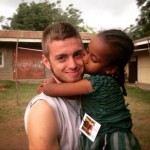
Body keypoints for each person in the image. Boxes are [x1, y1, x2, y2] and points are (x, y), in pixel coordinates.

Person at [42, 29, 141, 150]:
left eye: (93, 59)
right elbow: (71, 96)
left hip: (109, 139)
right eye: (87, 52)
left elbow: (50, 90)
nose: (85, 59)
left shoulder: (97, 83)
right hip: (97, 133)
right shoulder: (100, 81)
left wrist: (50, 82)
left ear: (110, 69)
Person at [24, 22, 85, 150]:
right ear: (46, 62)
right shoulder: (44, 111)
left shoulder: (93, 93)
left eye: (77, 54)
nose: (73, 64)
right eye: (62, 58)